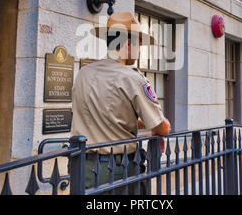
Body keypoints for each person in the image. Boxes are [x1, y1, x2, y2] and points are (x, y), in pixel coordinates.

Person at [71, 12, 171, 194]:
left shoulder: (83, 73)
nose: (139, 50)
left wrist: (141, 123)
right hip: (116, 171)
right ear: (127, 44)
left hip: (81, 167)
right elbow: (161, 127)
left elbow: (108, 117)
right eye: (138, 44)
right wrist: (161, 127)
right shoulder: (133, 78)